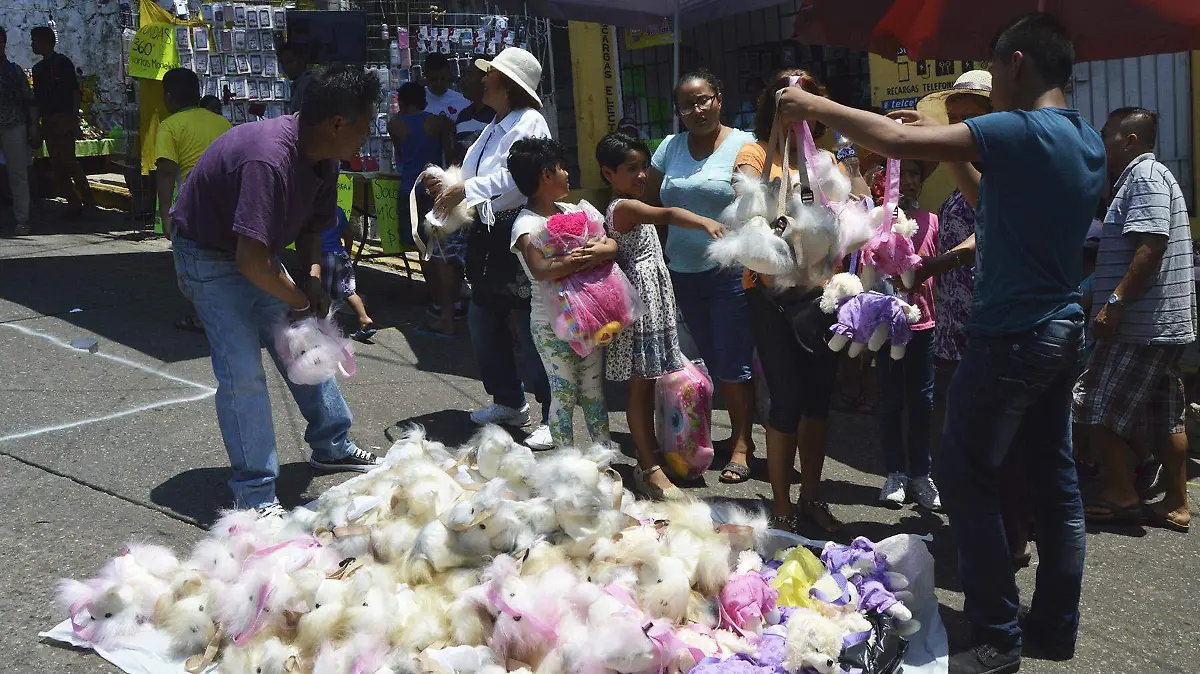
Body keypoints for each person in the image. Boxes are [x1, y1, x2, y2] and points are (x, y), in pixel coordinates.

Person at [777, 14, 1105, 673]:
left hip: (1012, 334)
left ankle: (996, 636)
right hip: (1059, 328)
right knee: (1054, 481)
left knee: (964, 475)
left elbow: (895, 140)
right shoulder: (1083, 139)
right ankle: (1053, 629)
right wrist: (954, 156)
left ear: (1014, 63)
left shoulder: (1018, 127)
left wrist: (810, 104)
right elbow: (995, 210)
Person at [169, 64, 384, 515]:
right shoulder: (268, 158)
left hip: (256, 253)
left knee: (302, 342)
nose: (369, 134)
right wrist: (301, 299)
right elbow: (251, 262)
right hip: (209, 254)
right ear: (338, 123)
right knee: (243, 373)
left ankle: (331, 444)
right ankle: (256, 494)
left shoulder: (325, 156)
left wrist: (308, 278)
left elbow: (312, 228)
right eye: (365, 124)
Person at [732, 69, 847, 534]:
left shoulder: (828, 162)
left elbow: (848, 217)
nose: (800, 107)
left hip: (822, 296)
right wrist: (779, 137)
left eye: (808, 100)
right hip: (769, 297)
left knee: (818, 402)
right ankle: (782, 505)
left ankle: (812, 496)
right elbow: (745, 205)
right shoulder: (754, 152)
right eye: (789, 99)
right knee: (785, 400)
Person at [1074, 106, 1195, 534]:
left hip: (1140, 325)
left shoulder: (1143, 177)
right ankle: (1177, 503)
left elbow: (1150, 247)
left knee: (1094, 405)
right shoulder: (1145, 178)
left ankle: (1120, 492)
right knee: (1165, 415)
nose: (1101, 144)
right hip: (1159, 324)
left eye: (1106, 136)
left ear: (1129, 140)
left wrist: (1115, 303)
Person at [426, 47, 553, 450]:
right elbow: (474, 172)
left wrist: (467, 188)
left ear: (509, 84)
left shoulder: (529, 121)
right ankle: (509, 401)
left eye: (490, 75)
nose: (482, 80)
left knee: (530, 327)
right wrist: (448, 183)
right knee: (484, 320)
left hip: (517, 230)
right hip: (488, 230)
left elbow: (520, 175)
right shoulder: (493, 122)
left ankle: (552, 413)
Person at [597, 131, 725, 499]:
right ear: (609, 173)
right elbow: (667, 213)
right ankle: (648, 466)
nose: (641, 175)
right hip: (640, 309)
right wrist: (704, 222)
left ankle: (651, 456)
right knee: (639, 389)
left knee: (649, 385)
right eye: (631, 168)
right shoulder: (625, 207)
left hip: (651, 306)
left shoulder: (630, 202)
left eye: (643, 167)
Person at [646, 70, 756, 487]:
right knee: (697, 363)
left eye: (704, 100)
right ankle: (694, 439)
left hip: (728, 273)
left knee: (733, 363)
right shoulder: (669, 148)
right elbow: (651, 205)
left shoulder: (744, 145)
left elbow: (756, 206)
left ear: (719, 99)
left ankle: (743, 444)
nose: (697, 110)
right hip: (679, 272)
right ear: (678, 111)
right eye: (687, 105)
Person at [509, 137, 614, 448]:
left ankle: (603, 456)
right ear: (545, 175)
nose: (567, 173)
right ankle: (565, 466)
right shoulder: (525, 225)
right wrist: (582, 258)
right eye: (561, 168)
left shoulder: (572, 209)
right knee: (564, 393)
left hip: (589, 318)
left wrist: (599, 250)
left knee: (594, 391)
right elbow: (540, 269)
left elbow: (610, 244)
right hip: (551, 325)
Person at [876, 159, 941, 511]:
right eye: (901, 175)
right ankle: (895, 472)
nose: (909, 182)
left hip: (924, 325)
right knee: (889, 400)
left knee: (922, 401)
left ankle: (921, 474)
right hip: (885, 328)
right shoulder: (876, 222)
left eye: (916, 174)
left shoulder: (932, 220)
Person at [155, 68, 232, 334]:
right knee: (225, 261)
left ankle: (207, 317)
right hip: (227, 204)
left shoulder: (169, 126)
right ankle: (226, 310)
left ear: (168, 98)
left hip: (193, 207)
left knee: (194, 270)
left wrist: (165, 216)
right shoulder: (221, 123)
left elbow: (165, 173)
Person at [387, 82, 455, 336]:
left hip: (410, 190)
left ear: (402, 102)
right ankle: (448, 301)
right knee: (442, 250)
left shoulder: (395, 125)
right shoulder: (437, 123)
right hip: (435, 188)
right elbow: (449, 153)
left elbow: (401, 156)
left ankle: (437, 300)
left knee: (423, 249)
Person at [30, 26, 95, 219]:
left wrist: (73, 118)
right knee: (56, 164)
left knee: (69, 162)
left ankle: (88, 200)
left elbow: (75, 92)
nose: (32, 44)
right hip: (48, 121)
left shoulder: (63, 63)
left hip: (63, 118)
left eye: (35, 40)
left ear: (45, 42)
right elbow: (39, 99)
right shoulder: (38, 69)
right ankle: (73, 203)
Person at [0, 26, 37, 236]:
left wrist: (33, 125)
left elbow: (30, 99)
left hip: (14, 125)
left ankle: (22, 219)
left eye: (1, 42)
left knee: (18, 173)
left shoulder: (14, 71)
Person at [321, 207, 375, 340]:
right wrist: (347, 252)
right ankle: (364, 318)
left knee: (323, 292)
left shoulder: (314, 210)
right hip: (340, 254)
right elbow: (348, 235)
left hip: (323, 255)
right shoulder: (338, 210)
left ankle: (324, 327)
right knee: (348, 290)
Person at [423, 52, 470, 120]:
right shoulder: (416, 102)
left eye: (443, 78)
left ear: (448, 74)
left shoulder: (463, 101)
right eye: (434, 79)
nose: (439, 83)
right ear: (426, 76)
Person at [278, 42, 312, 115]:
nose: (286, 67)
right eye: (282, 63)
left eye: (290, 62)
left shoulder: (308, 83)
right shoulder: (296, 83)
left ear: (302, 61)